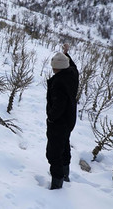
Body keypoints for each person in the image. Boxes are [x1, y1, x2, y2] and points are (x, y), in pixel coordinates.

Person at [46, 44, 79, 190]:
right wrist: (66, 54)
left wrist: (51, 118)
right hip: (70, 119)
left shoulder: (59, 82)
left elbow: (59, 105)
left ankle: (57, 183)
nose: (52, 69)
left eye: (54, 67)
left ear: (58, 68)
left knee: (54, 152)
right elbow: (73, 66)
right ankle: (65, 175)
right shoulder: (71, 74)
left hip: (59, 122)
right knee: (64, 146)